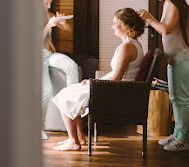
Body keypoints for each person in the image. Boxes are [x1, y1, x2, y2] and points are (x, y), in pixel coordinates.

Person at [51, 8, 145, 151]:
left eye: (115, 23)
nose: (112, 26)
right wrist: (91, 81)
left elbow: (117, 77)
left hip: (116, 92)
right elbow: (116, 74)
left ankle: (73, 141)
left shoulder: (128, 47)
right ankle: (80, 138)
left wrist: (93, 83)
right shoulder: (132, 45)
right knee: (70, 91)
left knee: (65, 96)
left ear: (125, 25)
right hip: (118, 89)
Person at [137, 0, 189, 152]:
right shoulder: (167, 4)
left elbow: (165, 29)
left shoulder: (177, 6)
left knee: (181, 100)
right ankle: (177, 133)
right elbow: (162, 27)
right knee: (174, 98)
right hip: (173, 59)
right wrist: (148, 20)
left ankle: (184, 139)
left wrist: (149, 18)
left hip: (183, 59)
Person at [41, 0, 79, 140]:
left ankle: (73, 102)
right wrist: (48, 25)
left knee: (71, 66)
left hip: (50, 54)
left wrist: (62, 21)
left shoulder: (48, 14)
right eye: (46, 3)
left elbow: (67, 29)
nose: (49, 6)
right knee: (46, 89)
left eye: (50, 3)